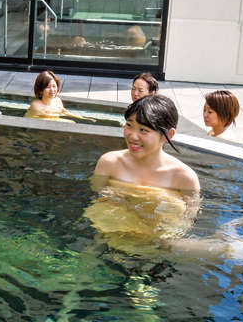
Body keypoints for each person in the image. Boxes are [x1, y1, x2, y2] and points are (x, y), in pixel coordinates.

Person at [85, 95, 201, 255]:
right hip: (108, 236)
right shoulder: (109, 163)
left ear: (169, 134)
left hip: (156, 246)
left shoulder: (184, 178)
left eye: (143, 130)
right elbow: (96, 197)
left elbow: (187, 222)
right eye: (129, 125)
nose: (133, 136)